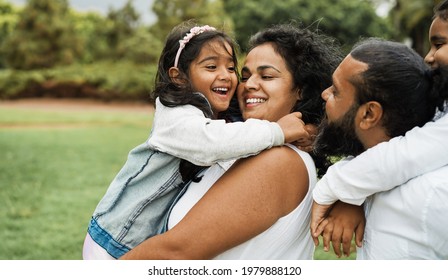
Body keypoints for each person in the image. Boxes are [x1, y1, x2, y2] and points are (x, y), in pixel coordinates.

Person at [83, 21, 310, 260]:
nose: (227, 76)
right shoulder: (175, 117)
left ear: (301, 89)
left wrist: (306, 129)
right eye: (211, 67)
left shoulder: (223, 119)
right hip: (114, 238)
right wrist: (277, 131)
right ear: (179, 78)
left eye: (231, 68)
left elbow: (237, 134)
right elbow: (214, 142)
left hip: (141, 239)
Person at [310, 0, 448, 258]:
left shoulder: (430, 196)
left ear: (370, 114)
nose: (429, 56)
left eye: (439, 44)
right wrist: (354, 195)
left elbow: (408, 154)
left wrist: (335, 187)